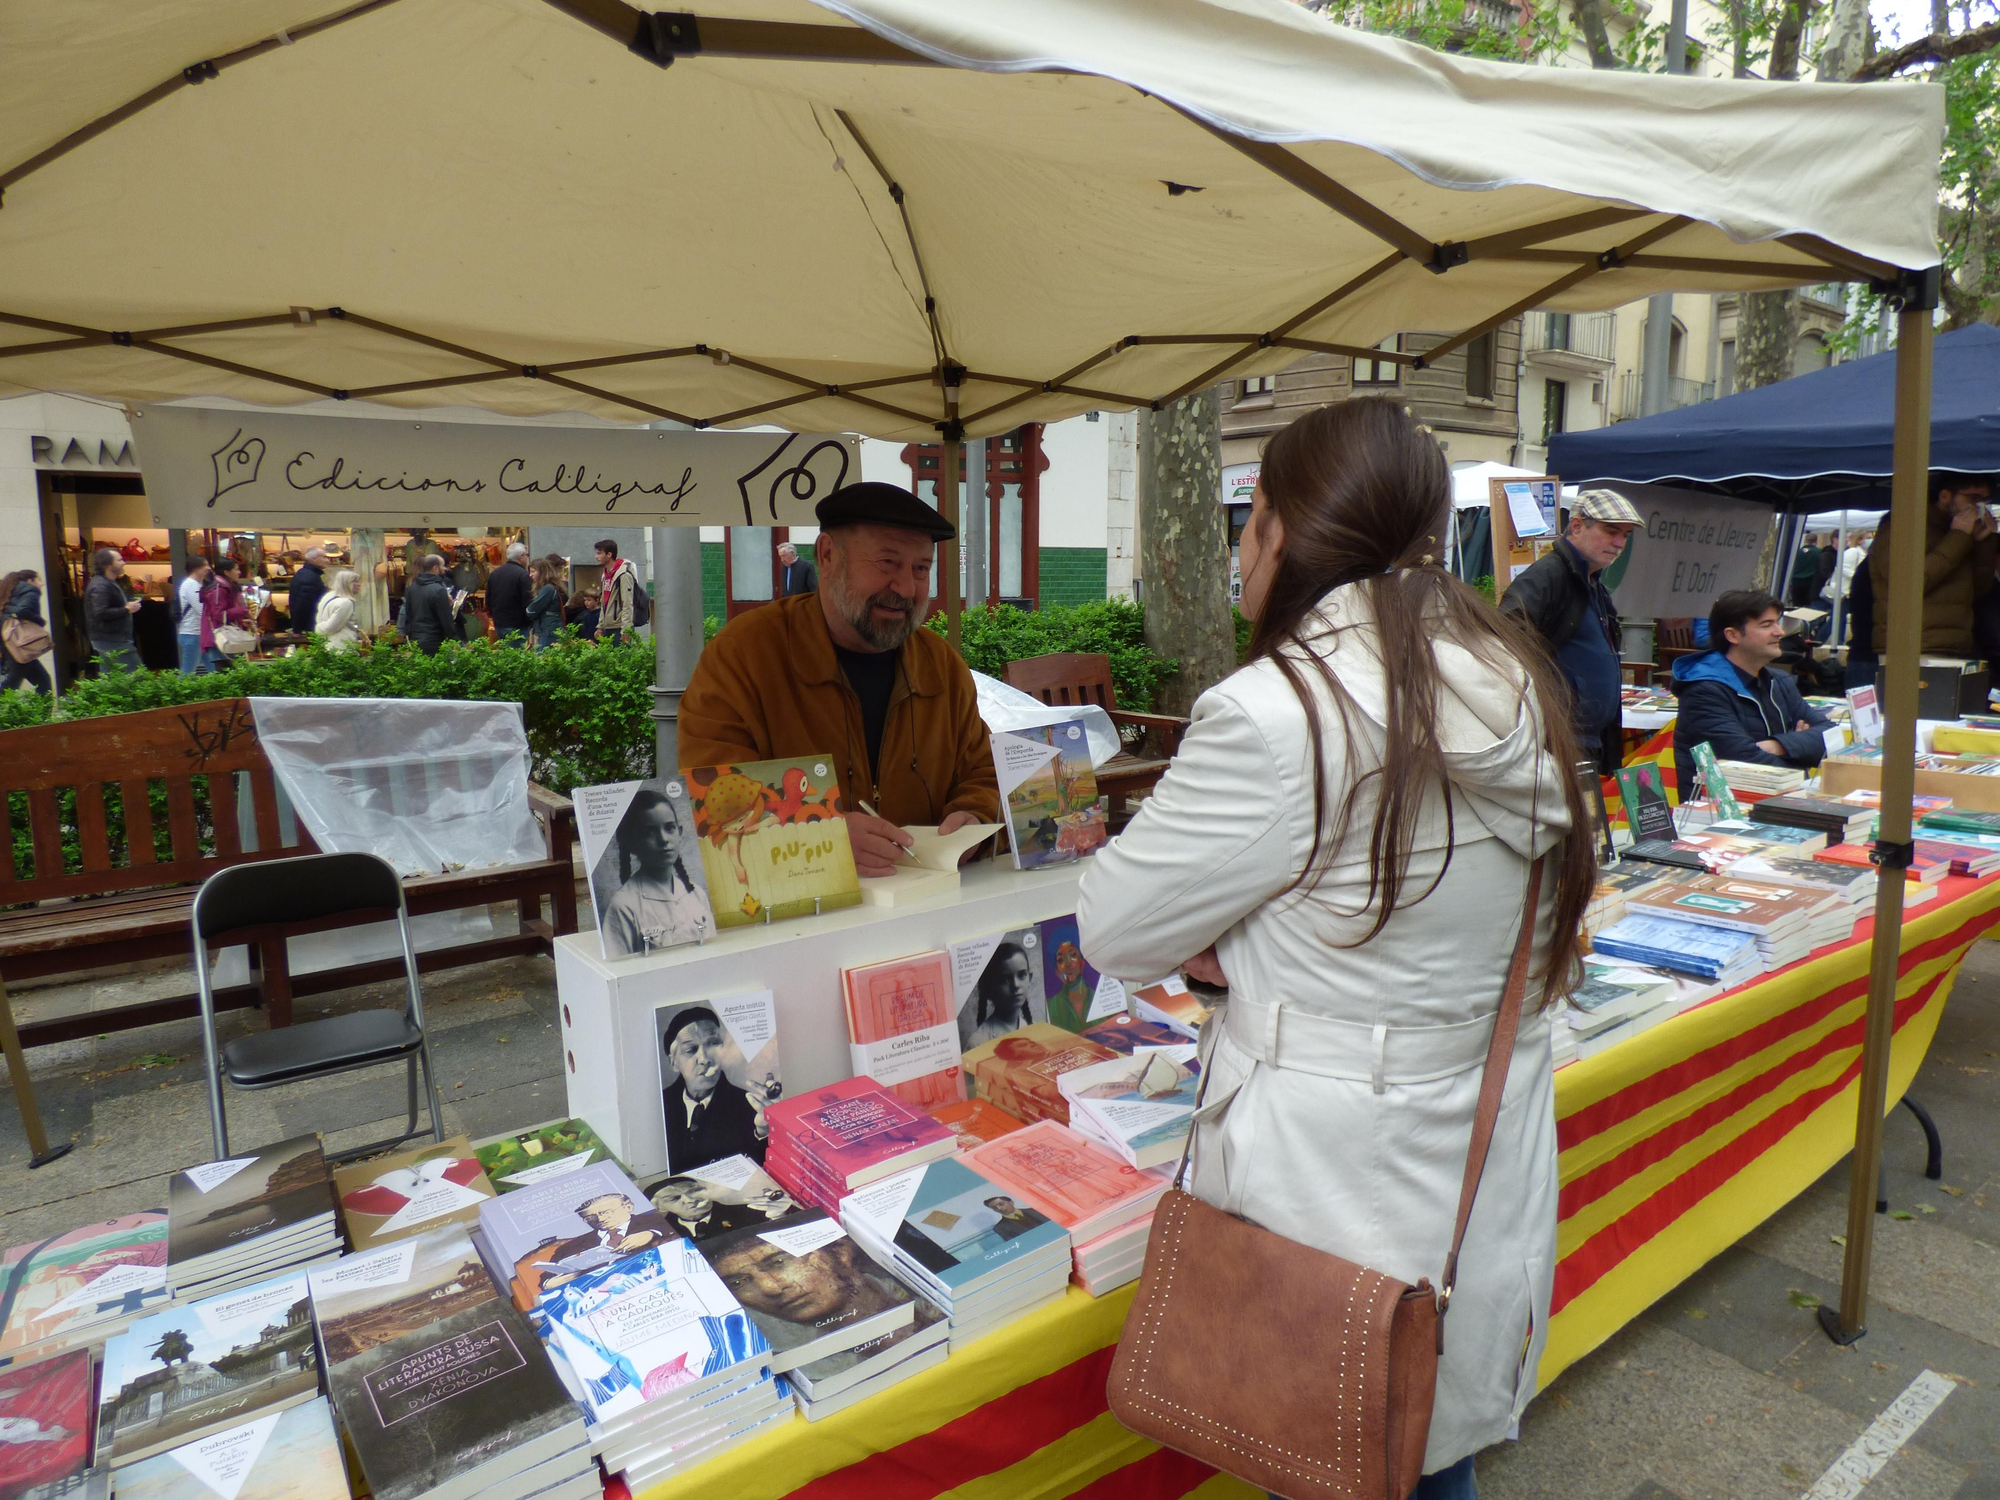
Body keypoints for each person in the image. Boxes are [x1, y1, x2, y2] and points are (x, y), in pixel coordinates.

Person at [1077, 397, 1592, 1498]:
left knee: (1336, 1431)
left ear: (1273, 525)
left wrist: (1236, 937)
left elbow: (1114, 927)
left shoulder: (1280, 710)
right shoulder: (1509, 678)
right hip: (1470, 1146)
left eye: (1247, 525)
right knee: (1412, 1428)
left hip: (1326, 1161)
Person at [679, 482, 1001, 875]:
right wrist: (819, 839)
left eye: (921, 568)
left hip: (925, 912)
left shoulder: (942, 665)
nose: (905, 587)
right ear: (828, 556)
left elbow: (983, 772)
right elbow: (714, 800)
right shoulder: (744, 656)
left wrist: (973, 816)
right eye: (887, 563)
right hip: (800, 919)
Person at [1497, 488, 1641, 777]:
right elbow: (1504, 646)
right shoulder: (1547, 577)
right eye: (1611, 531)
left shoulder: (1592, 583)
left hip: (1588, 741)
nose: (1619, 543)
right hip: (1558, 743)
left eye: (1626, 535)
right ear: (1577, 525)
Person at [1671, 589, 1836, 792]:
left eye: (1777, 622)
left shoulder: (1779, 680)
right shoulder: (1704, 690)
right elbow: (1744, 760)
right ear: (1732, 635)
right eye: (1767, 625)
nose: (1780, 632)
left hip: (1778, 800)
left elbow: (1831, 735)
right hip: (1722, 812)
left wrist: (1779, 746)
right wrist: (1800, 752)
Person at [704, 1230, 914, 1370]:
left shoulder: (927, 1299)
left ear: (841, 1252)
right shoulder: (795, 1366)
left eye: (778, 1261)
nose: (770, 1288)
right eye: (738, 1283)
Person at [1867, 475, 1998, 656]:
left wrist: (1983, 543)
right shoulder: (1903, 528)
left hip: (1955, 644)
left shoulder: (1959, 534)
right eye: (1973, 498)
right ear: (1945, 496)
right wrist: (1958, 536)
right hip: (1913, 646)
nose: (1979, 507)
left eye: (1984, 500)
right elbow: (1908, 584)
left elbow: (1978, 590)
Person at [599, 788, 715, 955]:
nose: (664, 839)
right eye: (650, 832)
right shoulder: (624, 905)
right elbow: (620, 967)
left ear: (680, 833)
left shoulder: (696, 894)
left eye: (669, 828)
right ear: (632, 842)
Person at [660, 1006, 776, 1171]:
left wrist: (764, 1132)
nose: (705, 1059)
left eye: (712, 1044)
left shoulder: (750, 1107)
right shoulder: (659, 1106)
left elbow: (761, 1167)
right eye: (691, 1050)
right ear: (673, 1062)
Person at [958, 940, 1037, 1049]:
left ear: (1030, 978)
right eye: (1005, 979)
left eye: (1022, 975)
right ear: (990, 987)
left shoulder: (1035, 1029)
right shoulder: (979, 1042)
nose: (1016, 985)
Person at [645, 1176, 766, 1239]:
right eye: (674, 1198)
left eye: (694, 1191)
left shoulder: (750, 1211)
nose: (690, 1199)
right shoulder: (660, 1233)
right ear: (659, 1207)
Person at [84, 548, 144, 673]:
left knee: (111, 677)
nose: (124, 562)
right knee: (137, 675)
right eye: (119, 560)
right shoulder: (101, 585)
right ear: (108, 565)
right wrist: (126, 609)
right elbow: (100, 612)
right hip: (112, 640)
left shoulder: (107, 582)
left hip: (112, 639)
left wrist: (126, 607)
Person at [398, 553, 463, 655]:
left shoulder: (412, 588)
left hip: (415, 638)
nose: (445, 569)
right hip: (434, 640)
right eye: (442, 566)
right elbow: (445, 619)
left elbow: (409, 614)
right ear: (435, 568)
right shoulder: (439, 590)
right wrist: (455, 640)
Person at [0, 570, 52, 695]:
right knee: (11, 685)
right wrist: (40, 622)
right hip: (19, 644)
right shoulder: (31, 590)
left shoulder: (8, 590)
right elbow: (23, 610)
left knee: (43, 681)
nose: (42, 584)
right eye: (39, 580)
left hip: (8, 641)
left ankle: (42, 714)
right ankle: (42, 713)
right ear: (30, 581)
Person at [199, 556, 250, 673]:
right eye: (236, 569)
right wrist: (242, 610)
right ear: (226, 572)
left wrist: (241, 621)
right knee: (226, 678)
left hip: (224, 638)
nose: (239, 572)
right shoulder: (218, 589)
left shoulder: (223, 587)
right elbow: (218, 615)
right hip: (220, 640)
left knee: (229, 677)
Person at [487, 540, 533, 644]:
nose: (527, 557)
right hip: (518, 624)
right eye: (527, 555)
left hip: (499, 622)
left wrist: (494, 616)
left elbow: (489, 599)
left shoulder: (495, 573)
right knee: (515, 657)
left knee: (506, 655)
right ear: (521, 557)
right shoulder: (523, 575)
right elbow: (528, 600)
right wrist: (529, 621)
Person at [595, 538, 636, 643]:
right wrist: (600, 626)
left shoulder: (624, 574)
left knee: (622, 658)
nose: (596, 557)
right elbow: (604, 602)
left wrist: (626, 630)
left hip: (619, 627)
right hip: (608, 627)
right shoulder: (605, 575)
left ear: (609, 554)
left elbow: (627, 603)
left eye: (599, 553)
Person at [174, 557, 210, 676]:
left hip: (197, 634)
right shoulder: (191, 585)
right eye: (205, 565)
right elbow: (202, 609)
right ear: (196, 568)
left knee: (214, 668)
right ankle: (178, 693)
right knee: (187, 673)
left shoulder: (195, 585)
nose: (208, 568)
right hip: (193, 634)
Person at [315, 569, 363, 653]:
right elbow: (331, 627)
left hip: (327, 644)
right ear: (346, 584)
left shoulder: (328, 597)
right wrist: (319, 628)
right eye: (355, 581)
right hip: (341, 646)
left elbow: (320, 617)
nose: (359, 585)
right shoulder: (346, 603)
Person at [287, 546, 328, 635]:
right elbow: (303, 605)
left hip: (307, 627)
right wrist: (297, 630)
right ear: (314, 559)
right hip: (309, 628)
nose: (327, 560)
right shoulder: (310, 578)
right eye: (324, 557)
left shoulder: (306, 574)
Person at [524, 559, 562, 648]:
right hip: (548, 628)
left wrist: (529, 611)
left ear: (542, 571)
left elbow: (532, 610)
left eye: (533, 571)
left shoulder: (547, 589)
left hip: (547, 629)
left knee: (543, 656)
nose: (530, 575)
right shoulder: (551, 587)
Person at [983, 1195, 1047, 1242]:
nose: (999, 1208)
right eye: (995, 1208)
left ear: (1011, 1202)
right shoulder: (1000, 1228)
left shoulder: (1035, 1210)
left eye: (1001, 1204)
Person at [1789, 532, 1823, 607]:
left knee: (1796, 606)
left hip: (1796, 582)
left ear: (1805, 540)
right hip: (1810, 583)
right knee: (1808, 606)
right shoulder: (1819, 552)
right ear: (1816, 541)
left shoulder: (1797, 552)